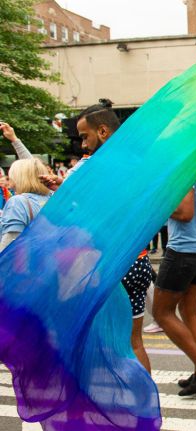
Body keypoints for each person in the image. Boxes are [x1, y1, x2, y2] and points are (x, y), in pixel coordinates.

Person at [40, 100, 157, 372]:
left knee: (95, 337)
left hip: (114, 264)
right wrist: (65, 187)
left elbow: (92, 214)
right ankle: (145, 406)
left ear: (103, 131)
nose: (83, 145)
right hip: (137, 261)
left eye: (85, 136)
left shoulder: (103, 166)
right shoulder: (134, 162)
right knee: (134, 341)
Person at [153, 165, 196, 396]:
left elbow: (184, 213)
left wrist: (157, 204)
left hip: (184, 250)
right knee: (189, 310)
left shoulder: (185, 165)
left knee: (162, 313)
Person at [0, 159, 50, 251]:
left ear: (18, 178)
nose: (10, 184)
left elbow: (9, 246)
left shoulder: (18, 202)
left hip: (25, 262)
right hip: (48, 260)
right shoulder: (51, 198)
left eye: (11, 177)